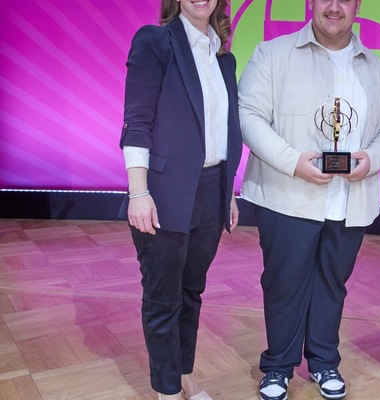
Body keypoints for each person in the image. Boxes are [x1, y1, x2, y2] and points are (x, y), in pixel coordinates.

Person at [237, 0, 380, 399]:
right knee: (284, 283)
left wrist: (372, 159)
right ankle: (278, 366)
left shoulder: (377, 70)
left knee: (332, 284)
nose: (334, 7)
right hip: (287, 195)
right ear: (310, 3)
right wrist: (292, 162)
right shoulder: (273, 54)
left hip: (351, 199)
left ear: (357, 6)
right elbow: (249, 116)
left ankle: (324, 361)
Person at [120, 0, 242, 399]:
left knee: (191, 293)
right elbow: (137, 122)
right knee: (162, 298)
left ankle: (185, 375)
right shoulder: (155, 41)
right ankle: (167, 390)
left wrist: (229, 192)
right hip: (163, 192)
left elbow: (223, 130)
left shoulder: (225, 59)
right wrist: (139, 192)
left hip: (212, 191)